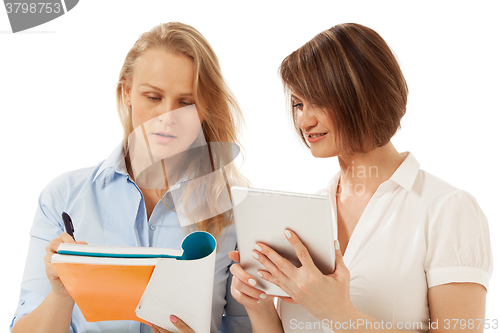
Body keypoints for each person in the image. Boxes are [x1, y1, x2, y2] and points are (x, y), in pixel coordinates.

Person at [229, 23, 493, 333]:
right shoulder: (307, 213)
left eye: (318, 101)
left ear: (366, 96)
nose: (303, 119)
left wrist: (338, 312)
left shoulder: (447, 210)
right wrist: (258, 307)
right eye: (298, 104)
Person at [10, 22, 252, 333]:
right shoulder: (64, 198)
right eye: (153, 97)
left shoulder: (235, 208)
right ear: (127, 93)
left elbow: (244, 325)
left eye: (186, 102)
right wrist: (61, 294)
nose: (168, 116)